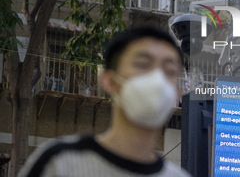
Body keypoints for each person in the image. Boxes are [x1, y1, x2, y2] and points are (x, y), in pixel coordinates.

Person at [18, 26, 190, 177]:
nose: (157, 80)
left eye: (170, 70)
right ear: (110, 80)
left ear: (177, 91)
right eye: (143, 64)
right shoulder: (58, 162)